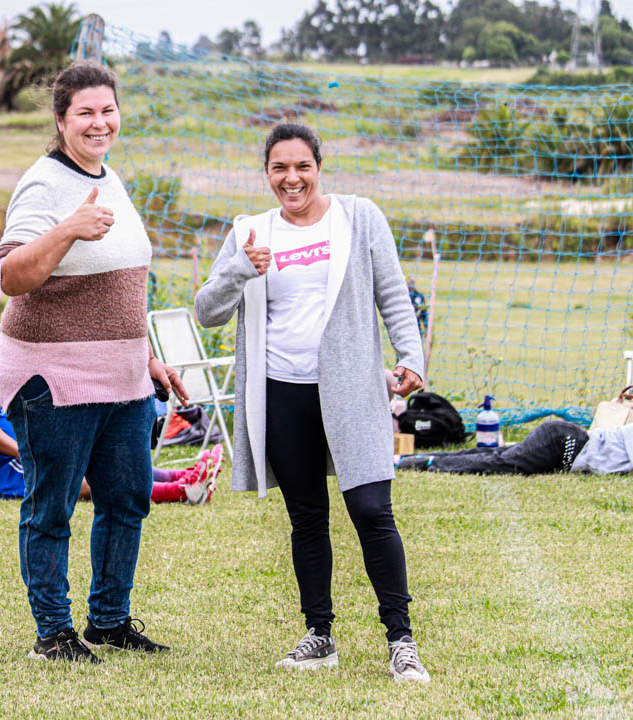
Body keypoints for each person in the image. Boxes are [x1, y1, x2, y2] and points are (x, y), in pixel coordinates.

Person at [194, 122, 431, 682]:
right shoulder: (250, 231)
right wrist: (240, 267)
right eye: (280, 168)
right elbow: (207, 311)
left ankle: (401, 640)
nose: (292, 178)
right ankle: (319, 636)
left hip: (351, 388)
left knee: (371, 510)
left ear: (319, 168)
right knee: (307, 518)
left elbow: (392, 292)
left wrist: (412, 356)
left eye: (302, 166)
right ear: (267, 173)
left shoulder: (359, 216)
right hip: (281, 392)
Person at [0, 63, 189, 663]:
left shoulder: (111, 177)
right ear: (61, 120)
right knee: (52, 507)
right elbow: (10, 276)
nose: (99, 123)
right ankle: (53, 634)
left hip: (124, 377)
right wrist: (69, 229)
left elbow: (120, 285)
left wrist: (146, 357)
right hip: (55, 379)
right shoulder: (44, 184)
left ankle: (108, 621)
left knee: (127, 499)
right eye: (85, 112)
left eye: (108, 110)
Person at [0, 309, 220, 504]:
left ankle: (182, 476)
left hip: (27, 457)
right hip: (15, 467)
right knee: (86, 479)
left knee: (103, 460)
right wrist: (24, 453)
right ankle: (182, 491)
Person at [397, 420, 632, 475]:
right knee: (502, 463)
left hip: (564, 441)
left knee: (497, 454)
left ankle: (412, 458)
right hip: (564, 444)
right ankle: (427, 463)